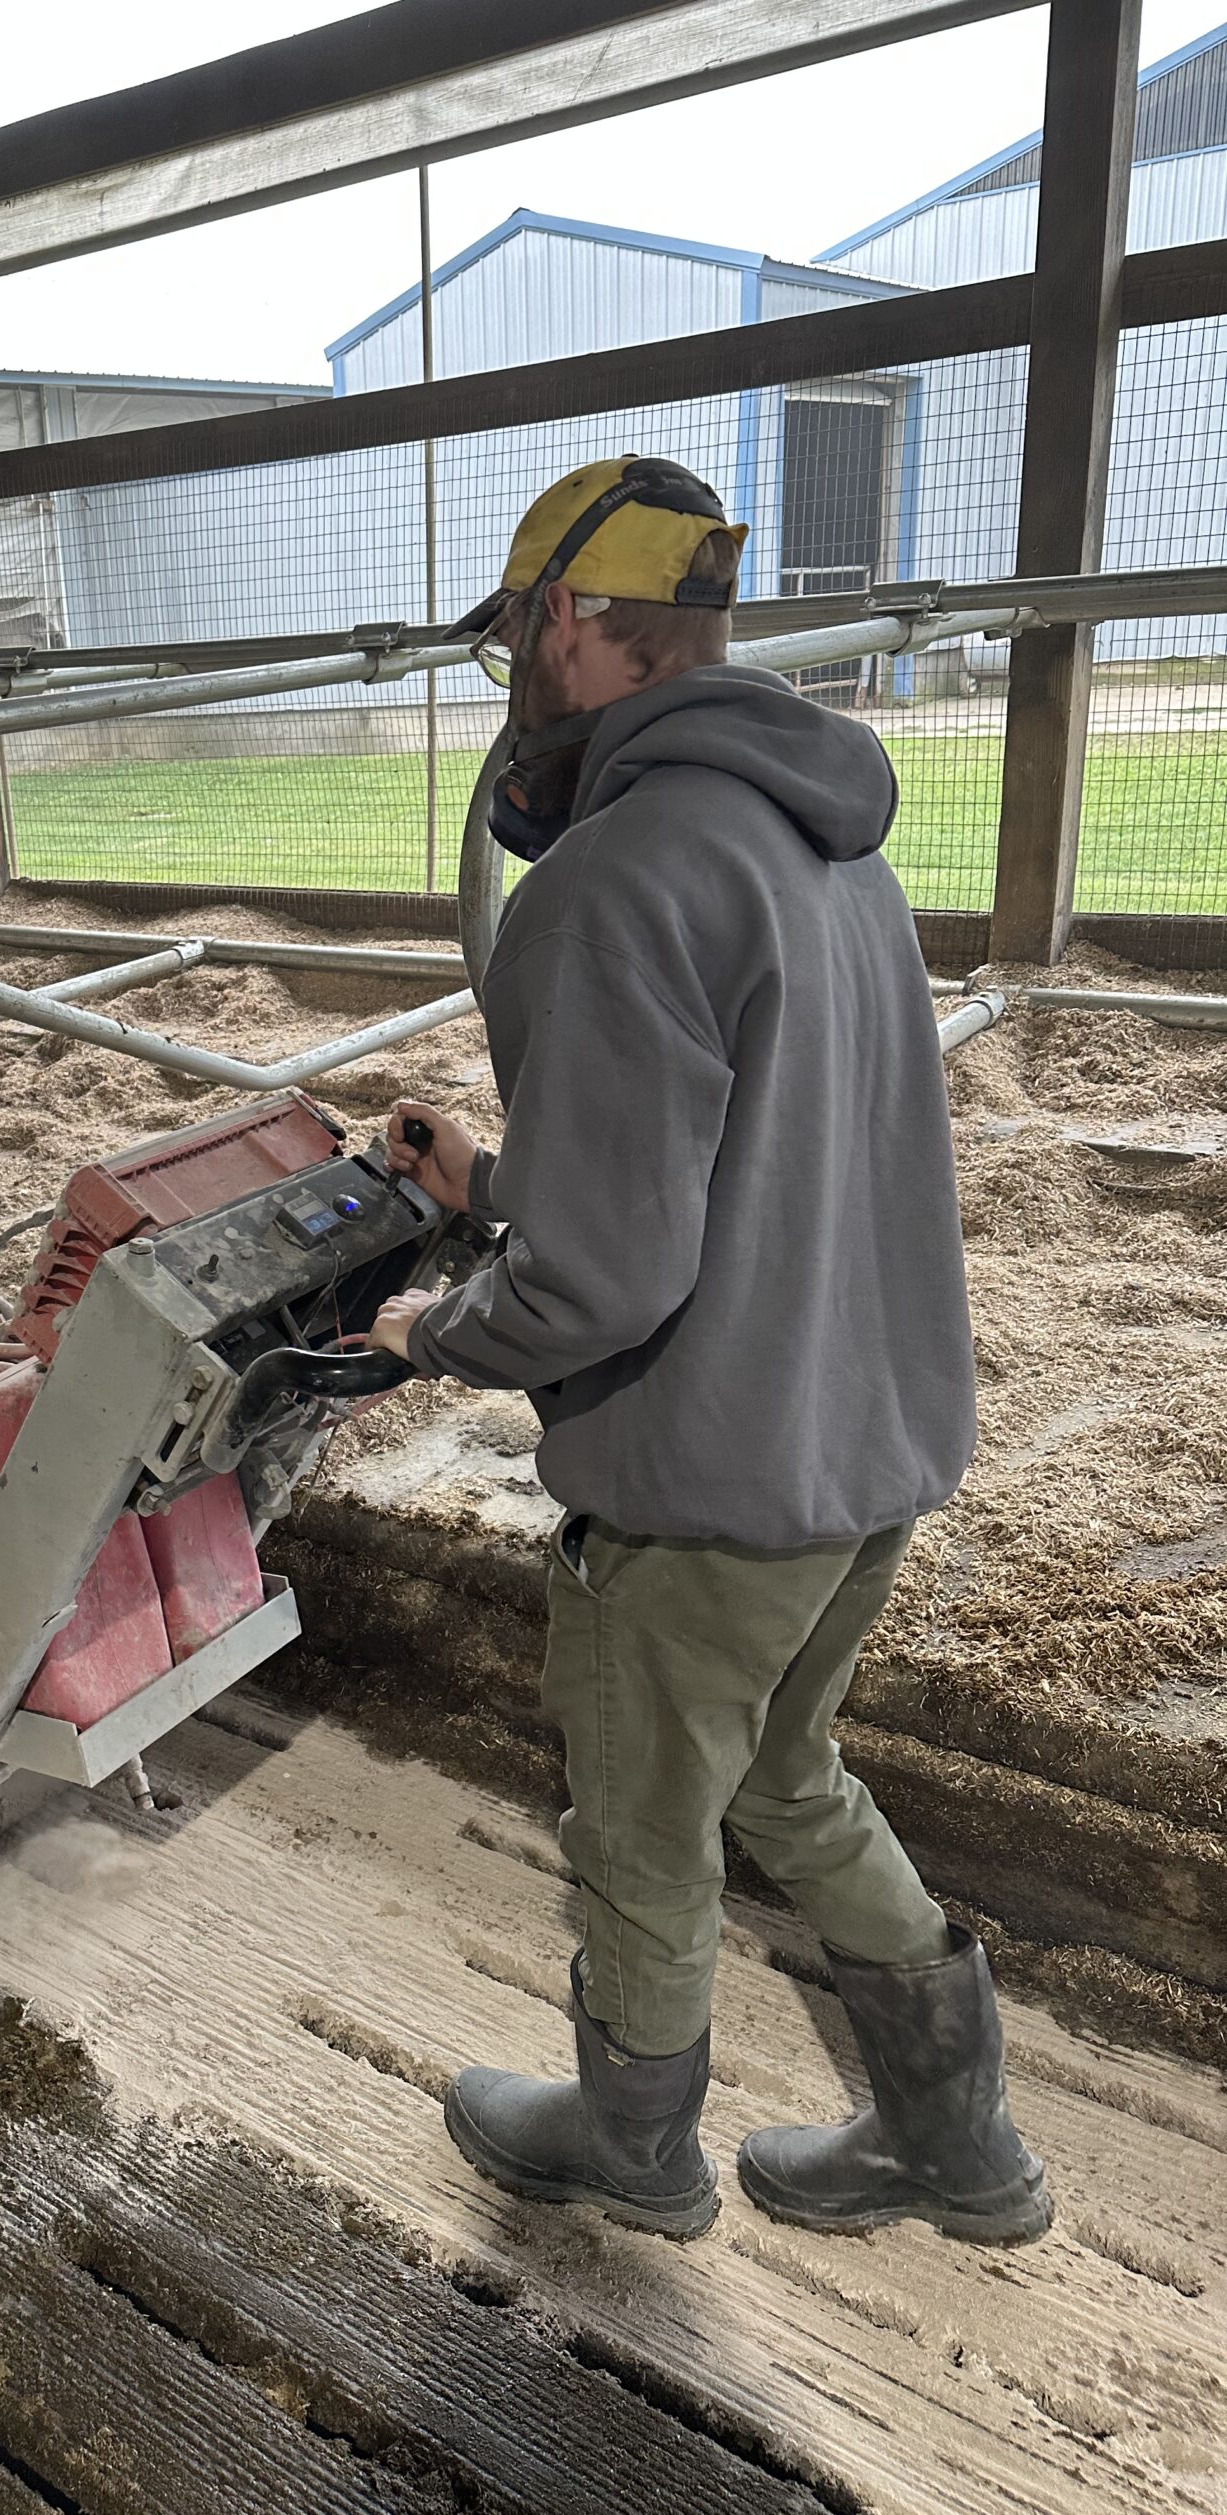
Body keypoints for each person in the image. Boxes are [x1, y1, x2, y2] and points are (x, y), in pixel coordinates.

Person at [366, 454, 1050, 2247]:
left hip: (707, 1482)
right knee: (787, 1778)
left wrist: (436, 1328)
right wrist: (501, 1175)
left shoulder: (614, 876)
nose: (514, 669)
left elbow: (599, 1290)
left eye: (518, 632)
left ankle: (631, 2143)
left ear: (575, 624)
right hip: (866, 1451)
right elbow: (752, 1167)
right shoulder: (832, 855)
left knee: (641, 1825)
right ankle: (959, 2147)